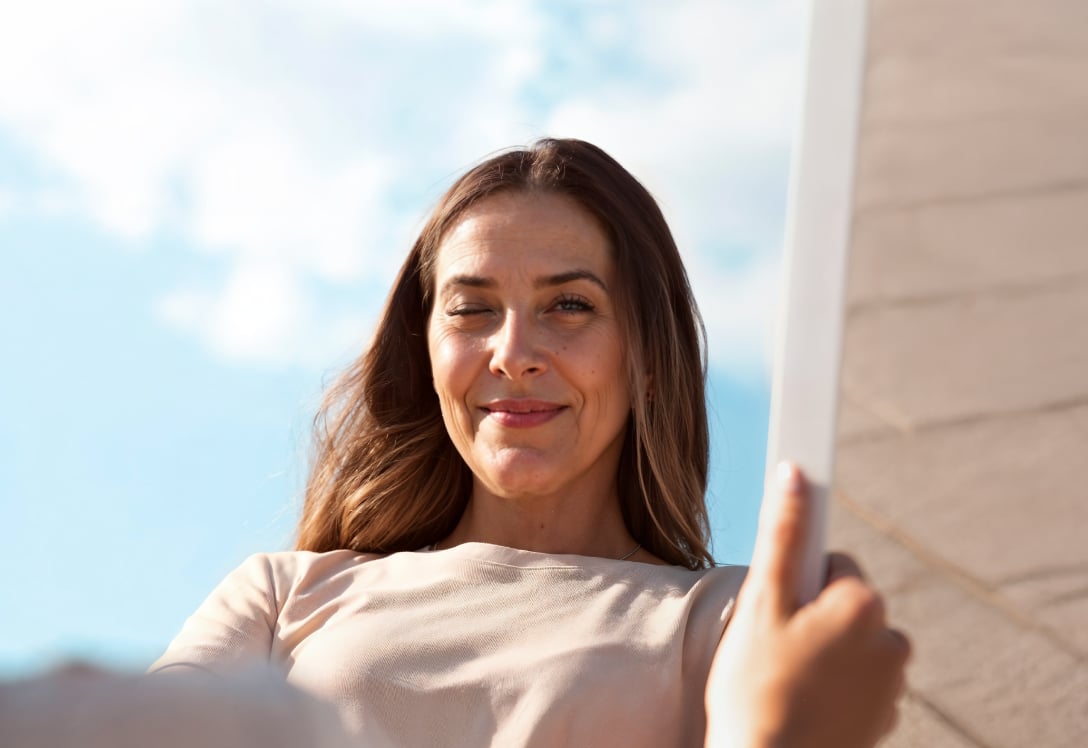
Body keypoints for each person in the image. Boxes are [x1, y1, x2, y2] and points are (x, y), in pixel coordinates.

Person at [149, 138, 909, 747]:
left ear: (647, 359)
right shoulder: (285, 595)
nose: (513, 351)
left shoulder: (732, 620)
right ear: (428, 355)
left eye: (570, 305)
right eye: (471, 309)